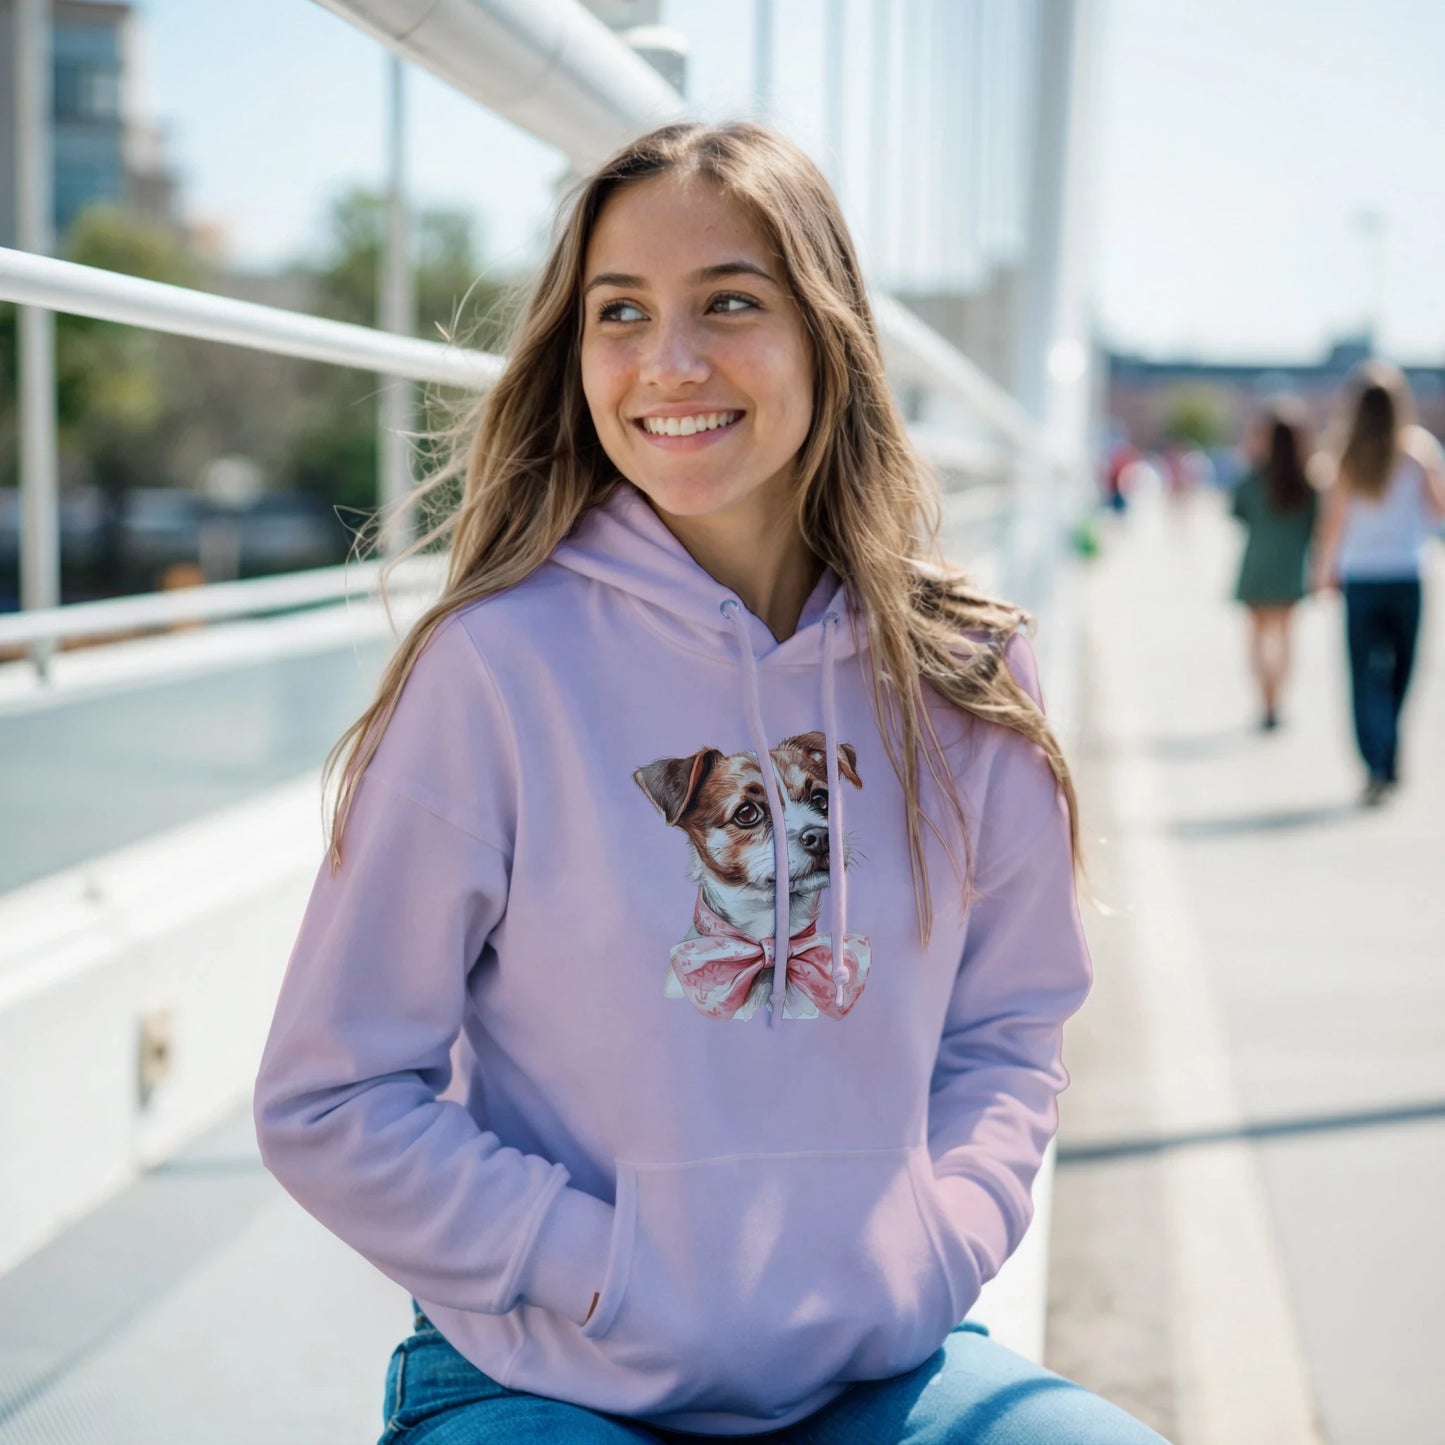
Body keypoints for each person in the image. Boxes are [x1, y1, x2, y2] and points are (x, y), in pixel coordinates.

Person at [252, 121, 1166, 1444]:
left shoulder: (970, 671)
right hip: (548, 1370)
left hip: (876, 1354)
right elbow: (329, 1096)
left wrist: (939, 1238)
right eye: (620, 313)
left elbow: (1009, 1029)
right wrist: (601, 1269)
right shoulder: (498, 667)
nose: (669, 363)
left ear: (827, 333)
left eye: (729, 303)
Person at [1311, 361, 1445, 805]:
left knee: (1363, 675)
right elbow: (1438, 510)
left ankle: (1376, 758)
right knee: (1402, 671)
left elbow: (1332, 523)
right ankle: (1388, 750)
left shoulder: (1344, 454)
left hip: (1362, 576)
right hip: (1407, 574)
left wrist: (1322, 571)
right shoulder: (1418, 451)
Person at [1228, 399, 1319, 730]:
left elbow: (1236, 512)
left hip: (1257, 568)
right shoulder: (1310, 483)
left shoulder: (1255, 479)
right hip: (1291, 570)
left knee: (1257, 638)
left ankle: (1264, 699)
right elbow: (1317, 528)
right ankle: (1276, 699)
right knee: (1285, 638)